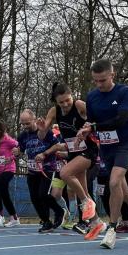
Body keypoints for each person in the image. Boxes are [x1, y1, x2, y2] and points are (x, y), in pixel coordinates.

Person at [75, 59, 128, 250]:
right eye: (96, 81)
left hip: (125, 144)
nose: (99, 85)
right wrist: (85, 132)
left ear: (112, 75)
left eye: (103, 80)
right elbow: (92, 124)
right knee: (124, 191)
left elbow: (121, 120)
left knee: (113, 183)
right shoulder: (92, 97)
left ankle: (111, 229)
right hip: (106, 147)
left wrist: (94, 126)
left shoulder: (124, 92)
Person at [43, 83, 99, 233]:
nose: (65, 104)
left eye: (68, 100)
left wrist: (87, 127)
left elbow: (98, 119)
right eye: (61, 102)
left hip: (88, 149)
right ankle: (96, 221)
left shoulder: (79, 105)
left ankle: (86, 203)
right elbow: (41, 135)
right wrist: (43, 127)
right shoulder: (54, 111)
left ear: (72, 96)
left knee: (65, 173)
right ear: (56, 102)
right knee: (83, 189)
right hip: (74, 152)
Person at [15, 110, 66, 232]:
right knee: (34, 197)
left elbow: (57, 146)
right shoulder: (23, 136)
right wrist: (17, 152)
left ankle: (59, 211)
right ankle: (46, 222)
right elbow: (20, 149)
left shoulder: (44, 131)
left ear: (34, 120)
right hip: (32, 170)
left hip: (47, 168)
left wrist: (44, 153)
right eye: (23, 124)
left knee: (43, 194)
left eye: (28, 123)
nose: (25, 126)